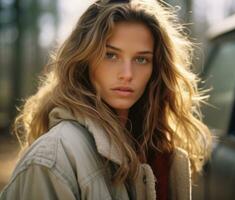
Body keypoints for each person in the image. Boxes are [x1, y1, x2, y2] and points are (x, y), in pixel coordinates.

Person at [0, 0, 212, 199]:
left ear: (155, 69)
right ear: (85, 60)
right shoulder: (53, 158)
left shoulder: (156, 148)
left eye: (141, 59)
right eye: (111, 55)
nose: (127, 74)